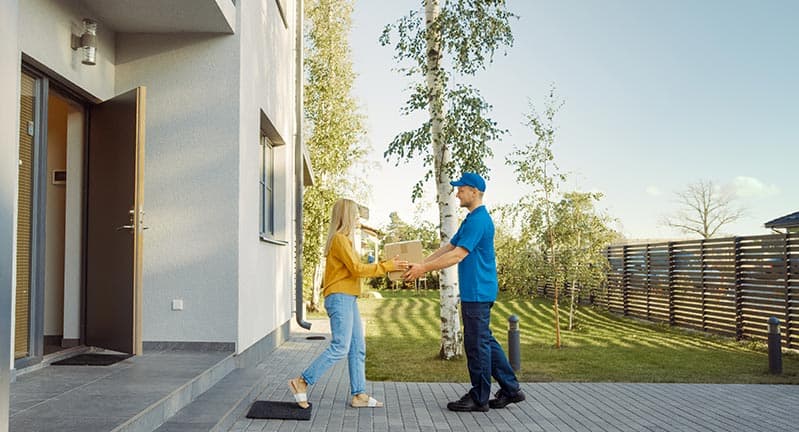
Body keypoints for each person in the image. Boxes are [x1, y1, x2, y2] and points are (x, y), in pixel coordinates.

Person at [404, 172, 525, 412]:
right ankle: (511, 389)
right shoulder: (471, 219)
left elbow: (458, 255)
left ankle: (479, 398)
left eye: (461, 189)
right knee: (485, 342)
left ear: (474, 192)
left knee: (476, 345)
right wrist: (419, 264)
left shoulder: (479, 220)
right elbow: (448, 247)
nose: (457, 192)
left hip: (478, 292)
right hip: (477, 291)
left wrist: (423, 269)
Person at [289, 198, 407, 409]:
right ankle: (302, 381)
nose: (358, 218)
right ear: (346, 216)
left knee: (357, 348)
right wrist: (387, 266)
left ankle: (358, 394)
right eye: (355, 214)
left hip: (348, 297)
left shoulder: (346, 241)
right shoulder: (339, 240)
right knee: (341, 347)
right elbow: (356, 269)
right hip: (339, 297)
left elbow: (357, 268)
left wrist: (382, 264)